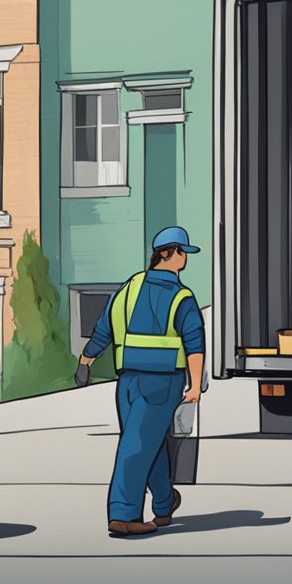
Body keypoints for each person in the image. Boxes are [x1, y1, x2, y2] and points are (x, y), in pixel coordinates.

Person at [78, 226, 205, 537]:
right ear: (168, 253)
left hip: (128, 383)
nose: (184, 259)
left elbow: (104, 327)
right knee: (137, 446)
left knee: (151, 443)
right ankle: (124, 515)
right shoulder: (181, 297)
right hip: (161, 384)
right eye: (182, 253)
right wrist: (195, 386)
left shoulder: (129, 288)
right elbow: (194, 343)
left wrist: (85, 360)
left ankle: (163, 504)